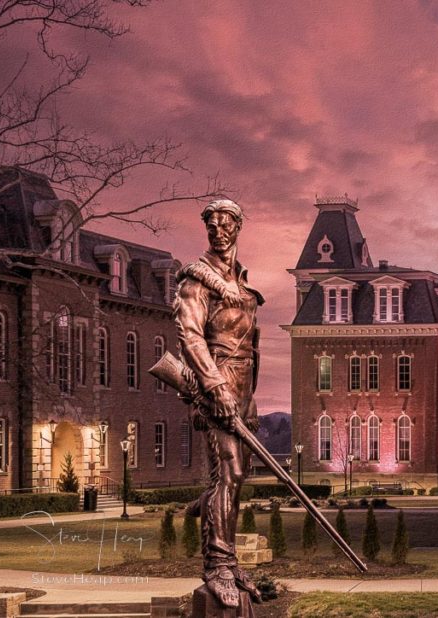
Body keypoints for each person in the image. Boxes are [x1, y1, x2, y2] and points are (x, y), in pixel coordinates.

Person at [174, 199, 264, 608]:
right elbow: (191, 337)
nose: (218, 230)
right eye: (212, 223)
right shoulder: (197, 282)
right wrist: (215, 387)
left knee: (237, 475)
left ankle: (224, 550)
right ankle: (218, 566)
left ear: (238, 227)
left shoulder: (241, 282)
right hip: (218, 386)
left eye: (226, 223)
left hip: (243, 391)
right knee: (228, 472)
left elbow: (253, 347)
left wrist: (250, 401)